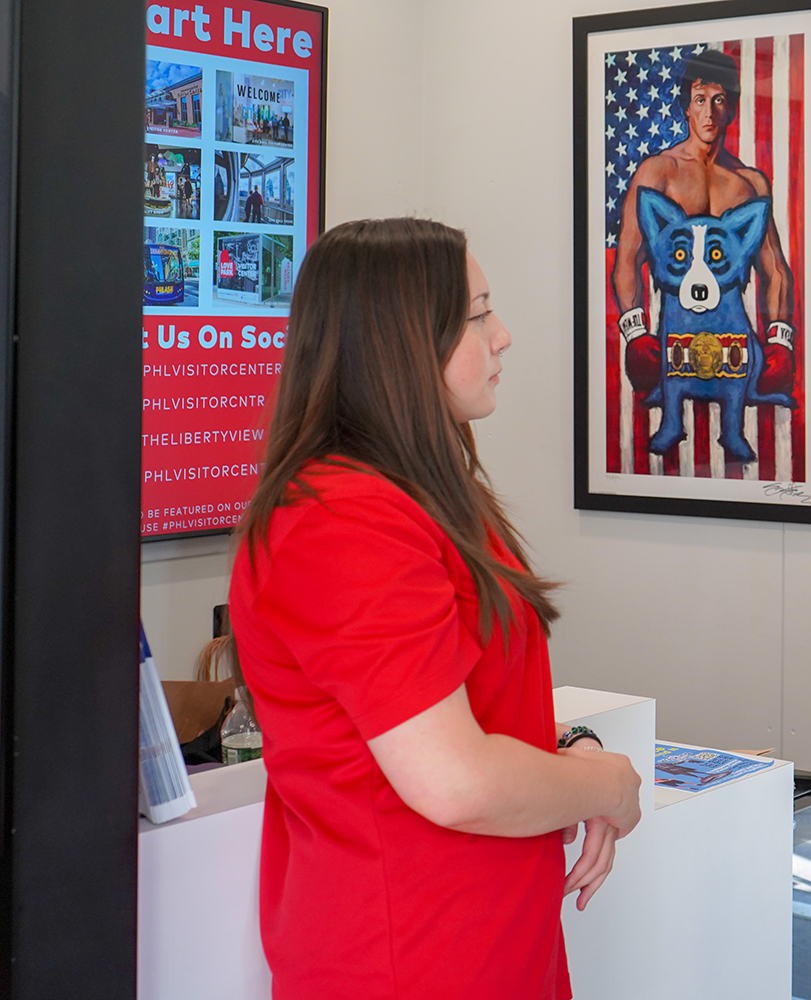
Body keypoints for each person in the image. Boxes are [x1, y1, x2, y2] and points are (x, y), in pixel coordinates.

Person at [226, 218, 642, 999]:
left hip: (489, 937)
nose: (504, 336)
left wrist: (571, 748)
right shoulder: (339, 521)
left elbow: (456, 708)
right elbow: (452, 779)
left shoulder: (422, 498)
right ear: (401, 343)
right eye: (479, 314)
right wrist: (609, 787)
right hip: (407, 956)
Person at [612, 48, 796, 399]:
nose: (709, 112)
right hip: (672, 347)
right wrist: (636, 335)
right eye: (700, 100)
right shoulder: (659, 173)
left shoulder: (750, 183)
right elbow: (627, 262)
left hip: (737, 350)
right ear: (686, 106)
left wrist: (779, 338)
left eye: (718, 100)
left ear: (732, 108)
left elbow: (774, 269)